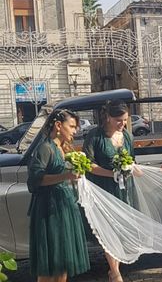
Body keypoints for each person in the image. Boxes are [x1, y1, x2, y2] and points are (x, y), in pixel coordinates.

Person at [28, 109, 90, 282]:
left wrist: (75, 178)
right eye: (71, 126)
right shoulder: (45, 148)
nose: (75, 130)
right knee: (49, 264)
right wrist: (66, 175)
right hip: (48, 209)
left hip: (65, 206)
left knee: (63, 262)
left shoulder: (63, 148)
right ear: (58, 125)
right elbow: (34, 180)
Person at [83, 100, 135, 282]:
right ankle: (115, 272)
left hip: (123, 189)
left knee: (120, 228)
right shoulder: (95, 136)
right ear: (108, 118)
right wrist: (110, 173)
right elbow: (88, 164)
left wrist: (132, 169)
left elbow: (131, 159)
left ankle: (115, 268)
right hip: (102, 188)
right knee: (107, 229)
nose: (123, 124)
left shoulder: (127, 137)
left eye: (125, 120)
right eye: (119, 120)